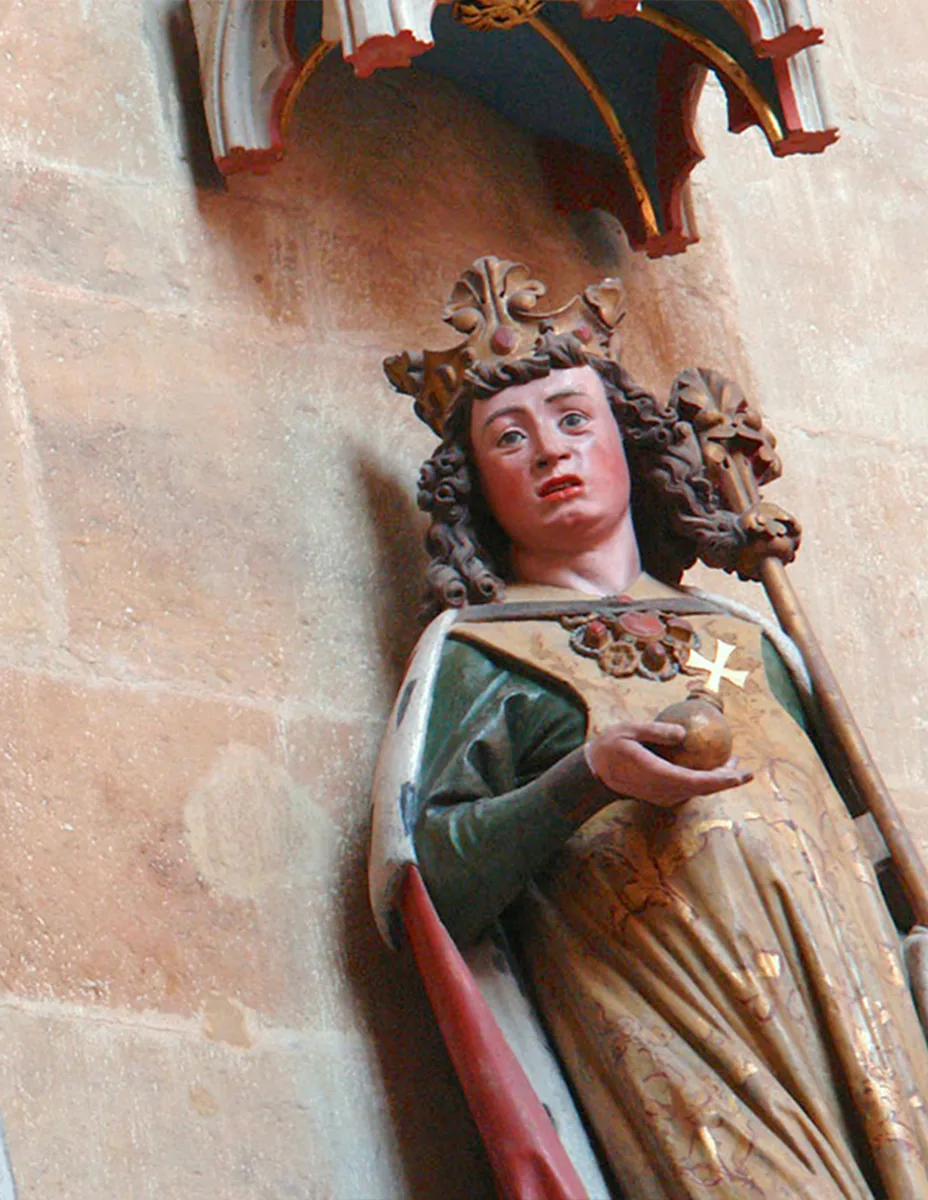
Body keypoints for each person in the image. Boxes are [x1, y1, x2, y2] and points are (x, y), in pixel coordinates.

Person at [370, 257, 928, 1197]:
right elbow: (435, 880)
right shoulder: (487, 652)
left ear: (627, 442)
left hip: (860, 1023)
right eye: (510, 438)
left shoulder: (751, 639)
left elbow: (866, 845)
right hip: (681, 1044)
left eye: (572, 420)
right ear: (476, 483)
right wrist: (584, 778)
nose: (549, 452)